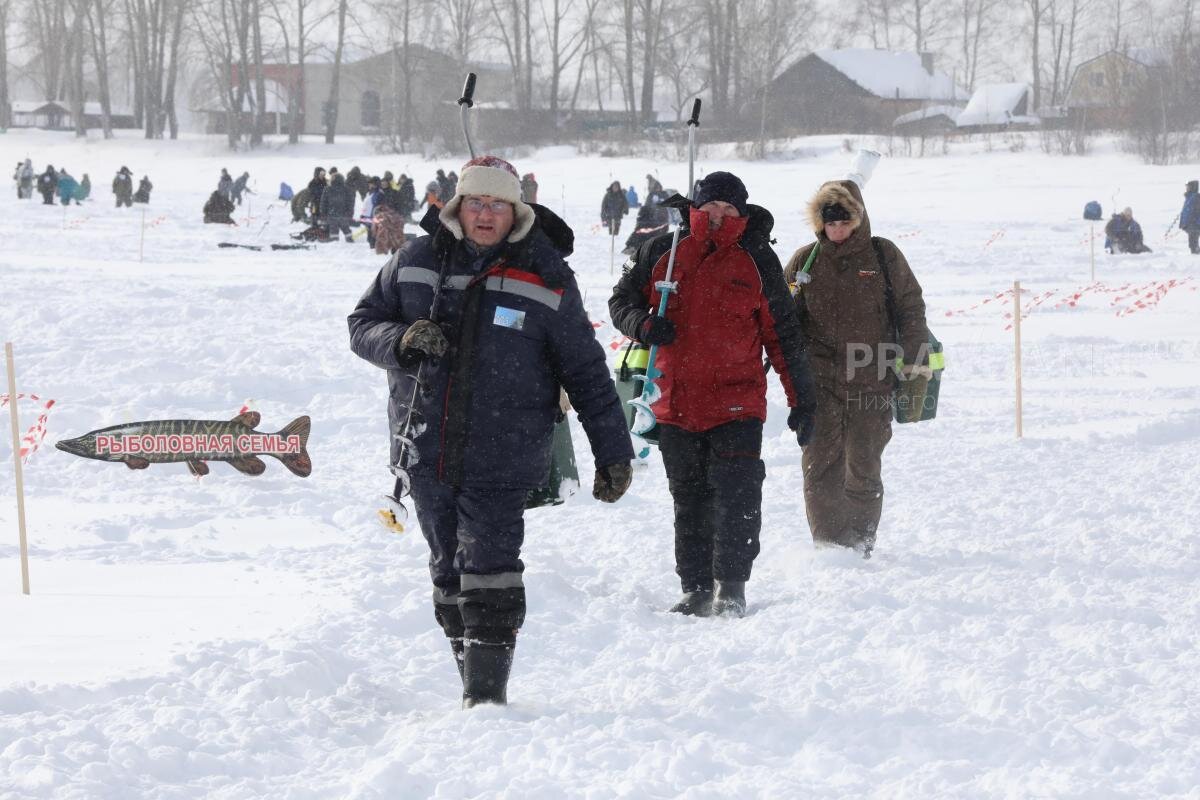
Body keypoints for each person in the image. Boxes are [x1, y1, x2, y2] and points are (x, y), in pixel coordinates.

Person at [348, 155, 634, 707]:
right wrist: (402, 342)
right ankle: (470, 678)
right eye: (475, 202)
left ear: (515, 211)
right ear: (457, 206)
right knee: (448, 570)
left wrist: (612, 452)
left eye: (497, 204)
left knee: (491, 567)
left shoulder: (546, 272)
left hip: (505, 450)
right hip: (423, 443)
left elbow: (586, 369)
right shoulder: (415, 259)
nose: (485, 214)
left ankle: (487, 698)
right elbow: (362, 325)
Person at [609, 171, 816, 618]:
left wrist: (802, 400)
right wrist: (642, 325)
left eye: (729, 210)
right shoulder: (662, 253)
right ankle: (697, 586)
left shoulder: (757, 261)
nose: (719, 217)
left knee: (738, 495)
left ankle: (733, 586)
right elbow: (620, 302)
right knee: (689, 498)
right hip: (675, 402)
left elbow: (784, 337)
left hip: (737, 404)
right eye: (710, 209)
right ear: (694, 209)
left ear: (742, 213)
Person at [783, 179, 929, 559]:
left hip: (872, 378)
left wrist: (914, 359)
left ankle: (860, 543)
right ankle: (830, 547)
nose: (837, 231)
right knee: (820, 467)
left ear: (859, 218)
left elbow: (911, 307)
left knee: (863, 465)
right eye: (829, 224)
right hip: (818, 382)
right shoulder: (805, 262)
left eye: (844, 222)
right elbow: (782, 319)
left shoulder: (884, 256)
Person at [319, 171, 355, 242]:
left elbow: (323, 203)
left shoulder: (328, 189)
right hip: (343, 214)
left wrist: (323, 213)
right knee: (346, 228)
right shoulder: (346, 189)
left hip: (332, 214)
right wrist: (349, 212)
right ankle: (349, 240)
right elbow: (351, 202)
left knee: (334, 230)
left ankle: (335, 242)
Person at [1180, 180, 1199, 255]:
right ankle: (1195, 253)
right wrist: (1183, 223)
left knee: (1193, 243)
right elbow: (1185, 211)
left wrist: (1196, 222)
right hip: (1189, 224)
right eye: (1186, 187)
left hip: (1194, 225)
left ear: (1193, 188)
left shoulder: (1197, 197)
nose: (1187, 188)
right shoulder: (1189, 197)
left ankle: (1195, 256)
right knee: (1192, 243)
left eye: (1189, 187)